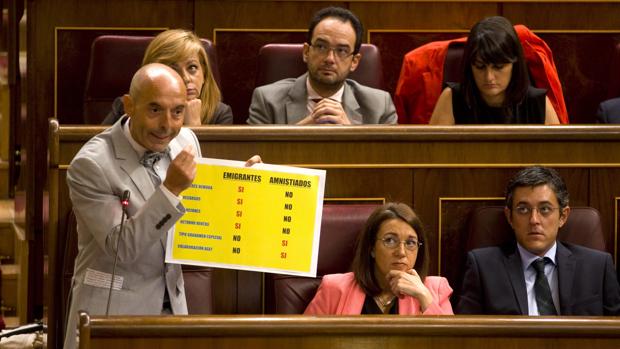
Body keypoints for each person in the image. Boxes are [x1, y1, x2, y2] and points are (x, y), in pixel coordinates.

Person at [64, 63, 259, 349]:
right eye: (155, 110)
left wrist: (248, 184)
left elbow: (199, 212)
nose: (168, 125)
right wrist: (170, 190)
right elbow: (122, 248)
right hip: (111, 316)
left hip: (173, 311)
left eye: (178, 111)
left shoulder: (186, 140)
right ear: (129, 106)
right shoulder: (90, 165)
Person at [457, 166, 620, 315]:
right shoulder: (483, 267)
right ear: (510, 217)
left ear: (563, 216)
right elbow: (467, 336)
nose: (534, 220)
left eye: (545, 209)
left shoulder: (598, 267)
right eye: (523, 209)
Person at [247, 7, 397, 125]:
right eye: (321, 47)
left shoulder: (380, 106)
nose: (330, 59)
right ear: (306, 52)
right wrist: (302, 132)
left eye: (342, 51)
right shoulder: (266, 100)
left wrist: (350, 132)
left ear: (354, 61)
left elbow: (388, 161)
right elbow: (255, 156)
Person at [304, 203, 453, 315]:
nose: (401, 252)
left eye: (410, 243)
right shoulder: (334, 288)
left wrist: (425, 297)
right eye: (390, 240)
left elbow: (452, 344)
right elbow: (303, 342)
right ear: (372, 248)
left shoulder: (435, 290)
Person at [430, 16, 560, 125]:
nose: (489, 77)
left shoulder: (538, 103)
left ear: (515, 64)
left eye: (498, 67)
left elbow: (559, 153)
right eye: (480, 67)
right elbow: (430, 152)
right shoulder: (451, 98)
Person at [102, 29, 233, 125]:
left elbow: (210, 161)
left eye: (192, 68)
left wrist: (194, 128)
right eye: (173, 69)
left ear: (204, 74)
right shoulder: (127, 106)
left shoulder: (219, 114)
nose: (186, 78)